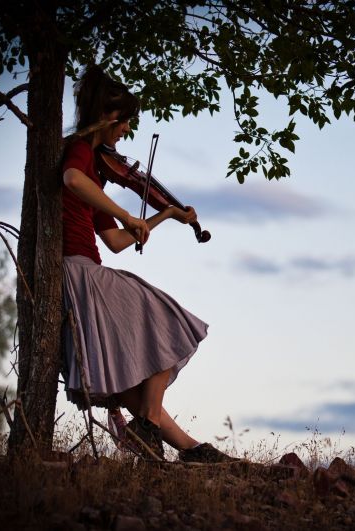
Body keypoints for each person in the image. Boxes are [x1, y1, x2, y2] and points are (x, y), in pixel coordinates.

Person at [61, 65, 233, 463]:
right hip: (79, 271)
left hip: (88, 268)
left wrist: (163, 216)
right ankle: (150, 425)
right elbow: (71, 178)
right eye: (124, 124)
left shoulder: (96, 180)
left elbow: (118, 242)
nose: (125, 133)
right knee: (169, 320)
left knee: (131, 390)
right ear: (108, 118)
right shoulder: (80, 151)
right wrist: (129, 213)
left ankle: (188, 449)